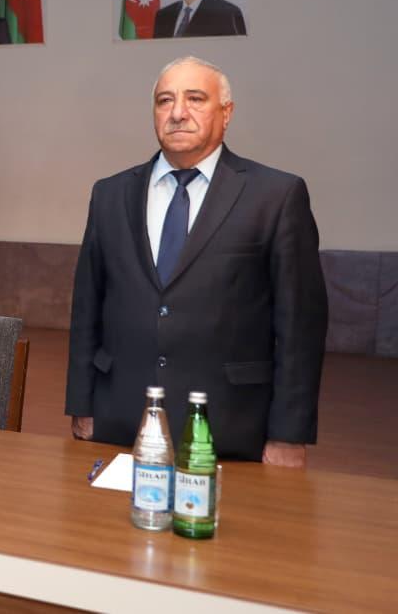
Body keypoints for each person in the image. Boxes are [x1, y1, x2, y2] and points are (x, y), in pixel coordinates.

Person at [66, 56, 327, 465]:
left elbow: (299, 329)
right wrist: (82, 405)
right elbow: (87, 310)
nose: (177, 113)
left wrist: (288, 434)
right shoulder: (109, 195)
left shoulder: (276, 196)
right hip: (119, 420)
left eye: (195, 99)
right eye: (165, 100)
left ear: (227, 112)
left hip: (232, 427)